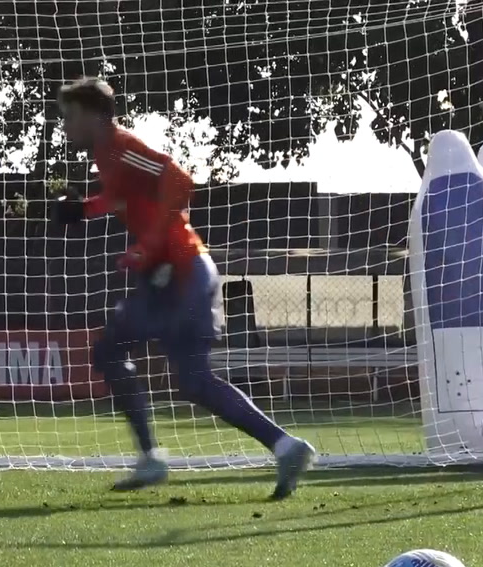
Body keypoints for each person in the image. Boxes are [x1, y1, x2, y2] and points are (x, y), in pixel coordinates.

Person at [50, 77, 315, 500]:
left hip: (183, 273)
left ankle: (158, 457)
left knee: (148, 363)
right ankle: (284, 447)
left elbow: (179, 180)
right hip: (170, 275)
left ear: (92, 115)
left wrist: (151, 246)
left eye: (70, 117)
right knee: (165, 371)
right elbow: (124, 198)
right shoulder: (107, 153)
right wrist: (84, 210)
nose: (65, 127)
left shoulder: (120, 145)